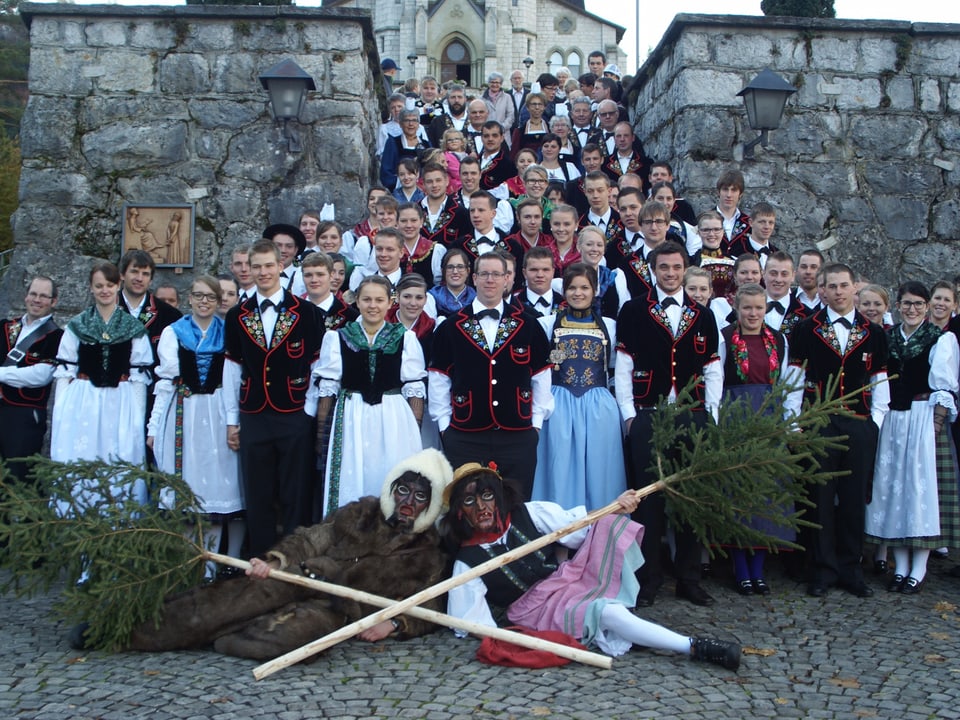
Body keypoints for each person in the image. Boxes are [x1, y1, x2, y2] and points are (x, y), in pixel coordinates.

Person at [125, 449, 452, 659]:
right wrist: (275, 560)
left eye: (420, 495)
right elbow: (310, 539)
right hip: (299, 578)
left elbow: (432, 606)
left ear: (432, 503)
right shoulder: (361, 513)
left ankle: (222, 636)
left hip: (336, 611)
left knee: (293, 638)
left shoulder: (429, 555)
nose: (407, 501)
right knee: (220, 604)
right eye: (403, 490)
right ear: (391, 489)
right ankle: (129, 632)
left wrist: (396, 624)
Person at [442, 463, 741, 670]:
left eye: (487, 495)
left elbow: (581, 526)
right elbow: (472, 624)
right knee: (607, 613)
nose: (481, 507)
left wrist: (617, 503)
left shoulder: (529, 514)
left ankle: (622, 629)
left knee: (608, 526)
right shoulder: (467, 563)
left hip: (565, 582)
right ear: (460, 513)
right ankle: (694, 646)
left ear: (499, 496)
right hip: (533, 611)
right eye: (469, 500)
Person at [615, 242, 722, 607]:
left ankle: (689, 578)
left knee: (691, 498)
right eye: (664, 267)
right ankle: (649, 579)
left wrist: (711, 414)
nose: (671, 273)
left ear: (685, 268)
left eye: (677, 267)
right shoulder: (632, 310)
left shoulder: (702, 314)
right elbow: (624, 366)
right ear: (653, 270)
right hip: (648, 412)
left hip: (692, 415)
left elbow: (713, 368)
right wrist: (629, 414)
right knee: (649, 502)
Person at [787, 263, 890, 598]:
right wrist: (794, 422)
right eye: (831, 286)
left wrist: (874, 422)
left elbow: (881, 381)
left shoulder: (873, 332)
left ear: (854, 289)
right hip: (818, 421)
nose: (838, 292)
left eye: (844, 286)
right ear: (823, 289)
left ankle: (851, 568)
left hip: (858, 422)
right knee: (818, 498)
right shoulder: (805, 329)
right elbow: (793, 378)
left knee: (853, 499)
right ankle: (822, 569)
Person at [223, 239, 323, 556]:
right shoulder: (237, 315)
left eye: (269, 265)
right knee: (258, 492)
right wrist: (231, 421)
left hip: (294, 413)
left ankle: (292, 561)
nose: (263, 272)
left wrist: (307, 412)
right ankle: (260, 560)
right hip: (253, 414)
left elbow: (318, 367)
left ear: (281, 266)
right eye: (257, 267)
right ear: (248, 270)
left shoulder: (306, 312)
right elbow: (231, 371)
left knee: (295, 491)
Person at [429, 252, 553, 499]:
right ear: (474, 278)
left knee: (516, 506)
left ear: (507, 279)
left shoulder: (529, 325)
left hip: (517, 434)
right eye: (484, 274)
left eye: (497, 274)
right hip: (465, 435)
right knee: (467, 507)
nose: (490, 280)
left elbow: (541, 378)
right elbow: (439, 380)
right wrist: (446, 428)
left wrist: (535, 425)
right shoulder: (449, 327)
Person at [865, 281, 960, 594]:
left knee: (921, 494)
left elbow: (944, 388)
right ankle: (900, 565)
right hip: (893, 418)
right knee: (895, 491)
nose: (913, 309)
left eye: (919, 304)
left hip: (922, 417)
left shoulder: (941, 339)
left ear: (927, 306)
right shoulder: (887, 337)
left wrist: (935, 425)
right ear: (899, 305)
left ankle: (918, 568)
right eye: (907, 303)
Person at [147, 276, 244, 580]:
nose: (204, 302)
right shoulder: (173, 332)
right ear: (189, 299)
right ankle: (191, 561)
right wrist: (153, 425)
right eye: (199, 296)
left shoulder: (228, 331)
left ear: (218, 301)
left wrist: (233, 421)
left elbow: (232, 380)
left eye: (210, 297)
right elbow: (164, 383)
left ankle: (213, 564)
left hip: (217, 411)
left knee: (217, 486)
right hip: (183, 412)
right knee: (189, 486)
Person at [314, 275, 426, 515]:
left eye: (379, 300)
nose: (372, 305)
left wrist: (413, 431)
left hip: (394, 417)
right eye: (366, 299)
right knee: (353, 476)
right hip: (352, 416)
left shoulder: (405, 337)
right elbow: (328, 388)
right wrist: (321, 433)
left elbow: (414, 387)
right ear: (357, 302)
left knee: (392, 474)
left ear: (389, 302)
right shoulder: (338, 337)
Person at [717, 283, 801, 595]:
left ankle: (759, 569)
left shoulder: (778, 339)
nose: (753, 314)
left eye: (759, 308)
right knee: (738, 492)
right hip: (735, 413)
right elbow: (716, 380)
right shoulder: (725, 338)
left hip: (769, 414)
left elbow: (788, 382)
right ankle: (740, 568)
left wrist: (788, 423)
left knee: (767, 490)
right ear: (737, 309)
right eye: (747, 308)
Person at [51, 262, 153, 503]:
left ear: (118, 286)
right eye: (99, 286)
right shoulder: (78, 325)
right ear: (91, 288)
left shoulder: (132, 328)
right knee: (81, 456)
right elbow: (66, 371)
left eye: (109, 285)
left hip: (121, 400)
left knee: (119, 457)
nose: (104, 290)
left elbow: (139, 376)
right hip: (84, 399)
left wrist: (137, 416)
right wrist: (60, 410)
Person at [532, 262, 626, 508]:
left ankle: (602, 535)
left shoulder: (610, 326)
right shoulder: (547, 324)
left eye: (585, 287)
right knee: (559, 468)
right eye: (572, 287)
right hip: (560, 402)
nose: (578, 293)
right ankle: (560, 537)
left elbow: (615, 368)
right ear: (563, 291)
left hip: (598, 405)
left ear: (595, 290)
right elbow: (544, 367)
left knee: (601, 470)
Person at [0, 276, 63, 485]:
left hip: (24, 417)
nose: (37, 300)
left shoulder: (57, 336)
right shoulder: (4, 327)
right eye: (34, 294)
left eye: (44, 296)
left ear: (53, 301)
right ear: (26, 296)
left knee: (18, 479)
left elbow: (40, 375)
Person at [117, 249, 183, 367]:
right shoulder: (106, 310)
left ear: (151, 280)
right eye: (134, 272)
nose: (139, 278)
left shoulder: (170, 315)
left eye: (145, 274)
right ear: (122, 274)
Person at [570, 226, 629, 320]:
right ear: (578, 247)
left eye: (599, 245)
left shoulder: (615, 278)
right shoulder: (569, 278)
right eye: (589, 244)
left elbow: (623, 311)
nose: (595, 249)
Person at [380, 109, 431, 191]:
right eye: (407, 120)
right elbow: (386, 172)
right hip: (400, 190)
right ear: (400, 124)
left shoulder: (426, 144)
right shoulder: (393, 143)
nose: (411, 124)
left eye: (414, 120)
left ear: (418, 124)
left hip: (424, 190)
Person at [762, 251, 806, 337]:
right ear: (763, 273)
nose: (778, 279)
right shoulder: (744, 310)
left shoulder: (806, 315)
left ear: (793, 276)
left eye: (784, 274)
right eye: (773, 273)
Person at [727, 202, 779, 267]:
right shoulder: (737, 251)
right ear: (751, 222)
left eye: (771, 223)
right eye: (762, 222)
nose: (767, 227)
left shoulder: (777, 254)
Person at [428, 248, 476, 318]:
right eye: (450, 267)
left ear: (468, 271)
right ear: (443, 271)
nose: (455, 271)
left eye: (460, 267)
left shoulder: (476, 298)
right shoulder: (432, 297)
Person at [516, 247, 562, 317]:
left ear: (553, 272)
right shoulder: (513, 304)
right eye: (534, 270)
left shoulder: (566, 304)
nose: (540, 275)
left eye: (545, 270)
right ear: (524, 273)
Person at [715, 169, 751, 252]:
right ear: (718, 192)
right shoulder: (705, 219)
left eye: (734, 190)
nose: (729, 195)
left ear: (740, 194)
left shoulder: (749, 223)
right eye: (725, 189)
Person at [511, 93, 549, 160]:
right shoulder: (519, 132)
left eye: (540, 104)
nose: (537, 107)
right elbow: (514, 154)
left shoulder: (550, 129)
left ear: (544, 107)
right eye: (533, 104)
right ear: (527, 107)